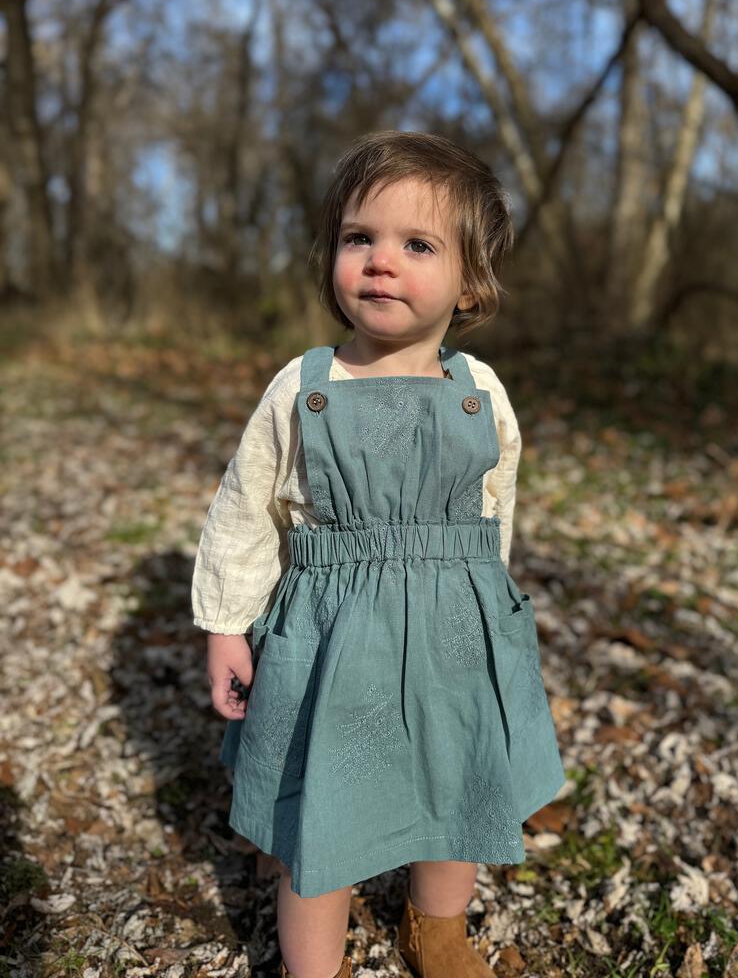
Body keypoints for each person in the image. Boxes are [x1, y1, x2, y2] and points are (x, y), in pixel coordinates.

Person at [191, 130, 566, 978]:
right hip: (332, 641)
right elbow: (245, 511)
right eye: (361, 238)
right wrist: (224, 625)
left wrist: (490, 610)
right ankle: (310, 962)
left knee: (458, 781)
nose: (381, 263)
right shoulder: (305, 386)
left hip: (453, 634)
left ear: (470, 281)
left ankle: (436, 927)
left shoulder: (480, 393)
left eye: (418, 244)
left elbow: (492, 509)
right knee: (317, 813)